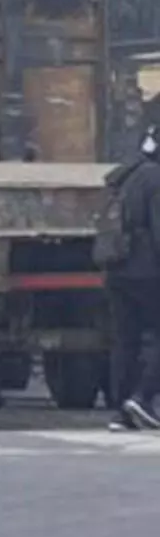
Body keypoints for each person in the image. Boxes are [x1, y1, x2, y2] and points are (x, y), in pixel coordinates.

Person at [105, 126, 160, 431]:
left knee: (126, 341)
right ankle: (143, 397)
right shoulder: (157, 178)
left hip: (118, 268)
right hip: (149, 271)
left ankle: (122, 411)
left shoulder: (126, 175)